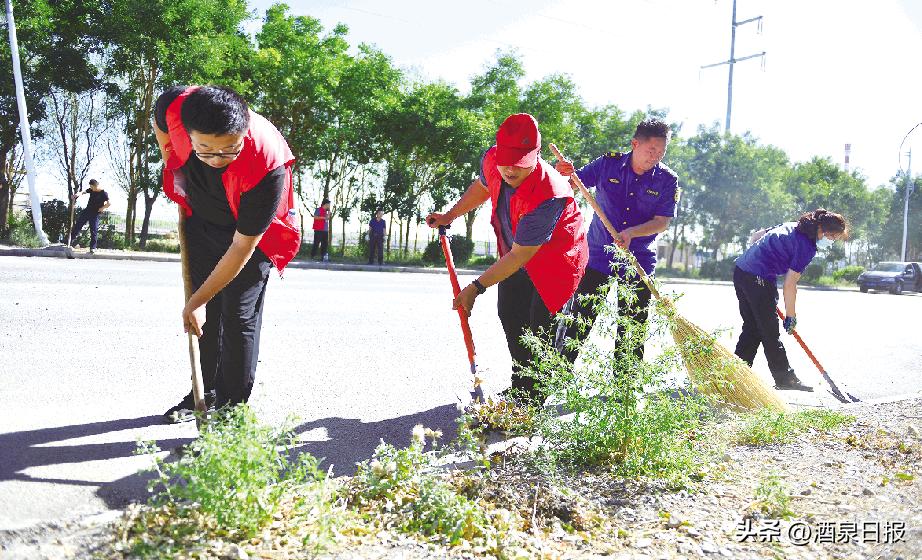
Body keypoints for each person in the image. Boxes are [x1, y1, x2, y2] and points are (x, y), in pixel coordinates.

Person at [153, 85, 301, 422]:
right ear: (188, 133)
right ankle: (202, 394)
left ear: (244, 131)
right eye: (206, 149)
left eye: (229, 150)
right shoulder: (175, 107)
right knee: (207, 320)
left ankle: (232, 410)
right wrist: (169, 156)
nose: (218, 160)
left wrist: (197, 299)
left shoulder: (268, 163)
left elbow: (241, 247)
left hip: (252, 235)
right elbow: (159, 121)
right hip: (202, 221)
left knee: (237, 314)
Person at [427, 113, 588, 406]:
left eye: (520, 162)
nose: (510, 169)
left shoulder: (549, 192)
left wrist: (475, 287)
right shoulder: (492, 161)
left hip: (556, 259)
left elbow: (521, 255)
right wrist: (449, 215)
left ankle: (534, 399)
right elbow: (484, 186)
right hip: (514, 250)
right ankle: (521, 386)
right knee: (511, 315)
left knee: (541, 325)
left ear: (536, 156)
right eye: (506, 160)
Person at [555, 118, 678, 374]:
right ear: (635, 144)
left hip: (638, 260)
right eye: (651, 150)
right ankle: (557, 373)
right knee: (581, 318)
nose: (655, 157)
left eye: (661, 152)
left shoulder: (667, 180)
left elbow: (662, 222)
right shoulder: (607, 164)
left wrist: (632, 232)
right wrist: (564, 173)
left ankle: (625, 386)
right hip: (599, 255)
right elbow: (573, 185)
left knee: (632, 326)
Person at [734, 209, 849, 391]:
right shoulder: (806, 247)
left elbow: (756, 237)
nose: (832, 241)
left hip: (741, 271)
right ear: (823, 230)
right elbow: (789, 284)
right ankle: (785, 379)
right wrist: (791, 315)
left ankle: (733, 376)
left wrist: (763, 257)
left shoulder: (791, 226)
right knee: (769, 332)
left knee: (753, 328)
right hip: (758, 277)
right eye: (833, 237)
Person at [69, 179, 110, 253]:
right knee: (78, 225)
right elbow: (83, 192)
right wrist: (76, 195)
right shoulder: (91, 190)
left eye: (92, 187)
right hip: (87, 211)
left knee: (93, 230)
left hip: (95, 213)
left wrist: (102, 208)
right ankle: (69, 241)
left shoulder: (103, 193)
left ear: (96, 185)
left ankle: (92, 248)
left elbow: (109, 203)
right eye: (90, 187)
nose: (91, 188)